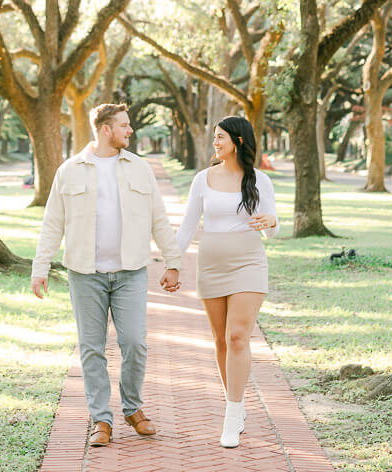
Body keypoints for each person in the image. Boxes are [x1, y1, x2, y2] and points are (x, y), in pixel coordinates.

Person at [31, 102, 181, 447]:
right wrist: (41, 268)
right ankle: (101, 419)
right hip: (85, 274)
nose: (130, 131)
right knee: (91, 348)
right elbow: (53, 223)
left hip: (130, 272)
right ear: (105, 129)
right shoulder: (69, 171)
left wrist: (172, 262)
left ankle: (132, 407)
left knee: (135, 343)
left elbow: (158, 218)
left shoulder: (140, 169)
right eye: (124, 125)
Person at [176, 115, 278, 448]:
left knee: (237, 337)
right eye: (214, 138)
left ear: (238, 141)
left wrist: (272, 221)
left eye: (221, 138)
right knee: (220, 340)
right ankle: (237, 401)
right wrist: (171, 263)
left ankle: (231, 417)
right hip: (211, 265)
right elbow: (188, 225)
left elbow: (272, 229)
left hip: (248, 262)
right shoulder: (203, 179)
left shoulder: (259, 180)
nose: (215, 143)